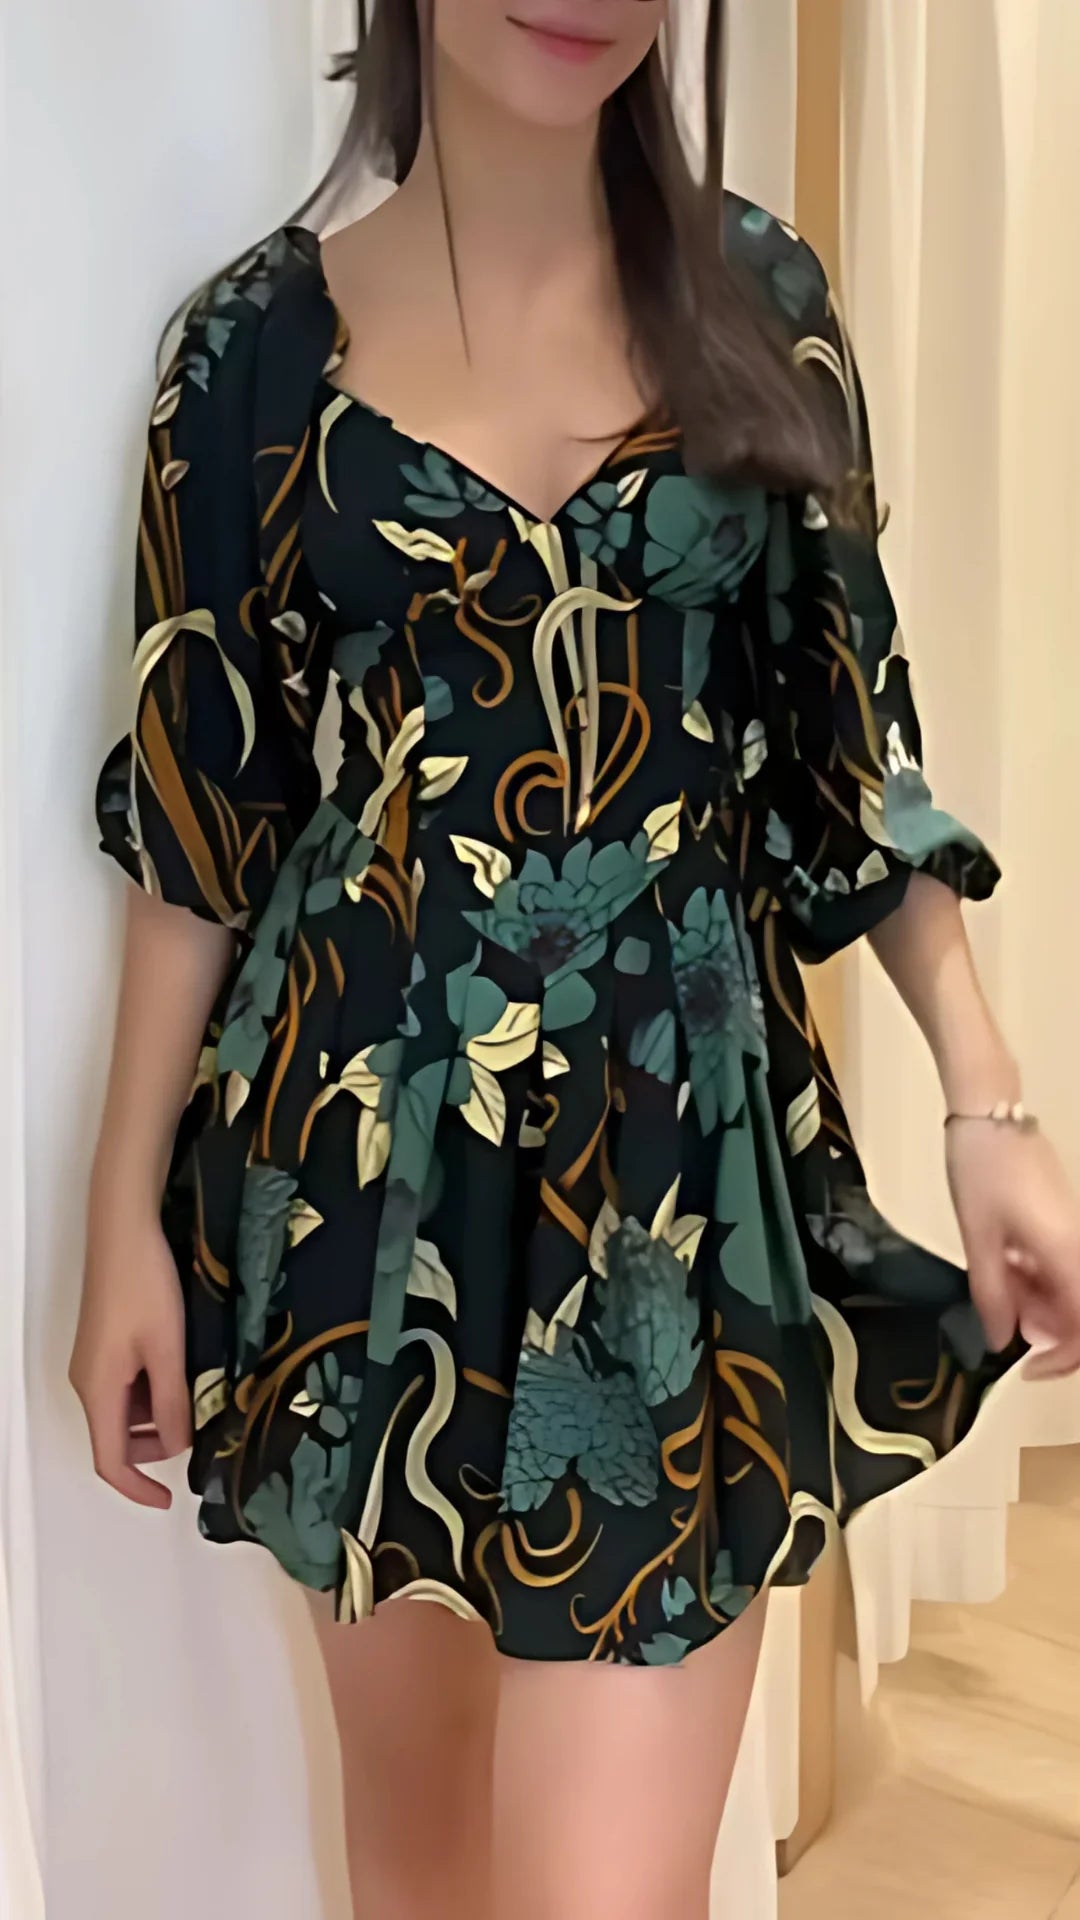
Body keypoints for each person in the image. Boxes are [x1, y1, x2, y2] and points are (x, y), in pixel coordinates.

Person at [70, 3, 1080, 1916]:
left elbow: (852, 752)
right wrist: (123, 1213)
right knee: (424, 1871)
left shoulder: (758, 303)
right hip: (363, 1191)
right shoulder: (248, 353)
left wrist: (987, 1101)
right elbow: (202, 819)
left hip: (675, 1195)